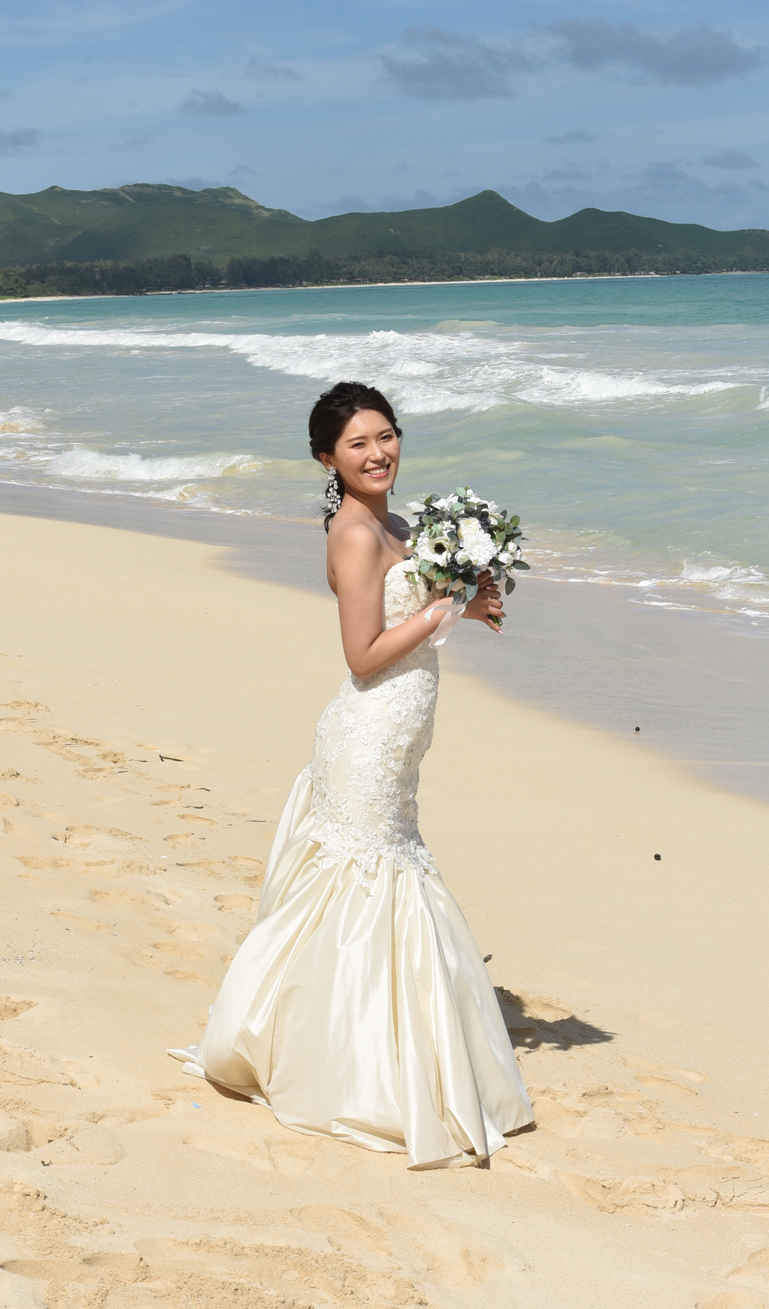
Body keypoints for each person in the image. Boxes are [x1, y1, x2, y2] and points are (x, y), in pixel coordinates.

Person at [169, 381, 533, 1168]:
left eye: (387, 436)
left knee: (378, 873)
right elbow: (364, 655)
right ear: (326, 458)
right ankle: (344, 1067)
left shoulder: (398, 523)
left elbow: (416, 616)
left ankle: (352, 1040)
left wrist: (464, 599)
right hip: (368, 731)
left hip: (399, 734)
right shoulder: (354, 532)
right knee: (370, 879)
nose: (379, 453)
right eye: (358, 443)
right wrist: (448, 610)